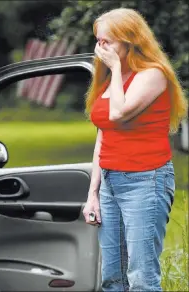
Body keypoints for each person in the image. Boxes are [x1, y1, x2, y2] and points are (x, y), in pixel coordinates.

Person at [82, 7, 188, 292]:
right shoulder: (107, 81)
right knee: (112, 278)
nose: (100, 48)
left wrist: (116, 68)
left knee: (141, 279)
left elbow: (118, 113)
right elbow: (104, 134)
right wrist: (93, 194)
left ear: (130, 41)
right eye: (98, 40)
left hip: (145, 181)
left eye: (108, 42)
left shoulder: (153, 75)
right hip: (110, 182)